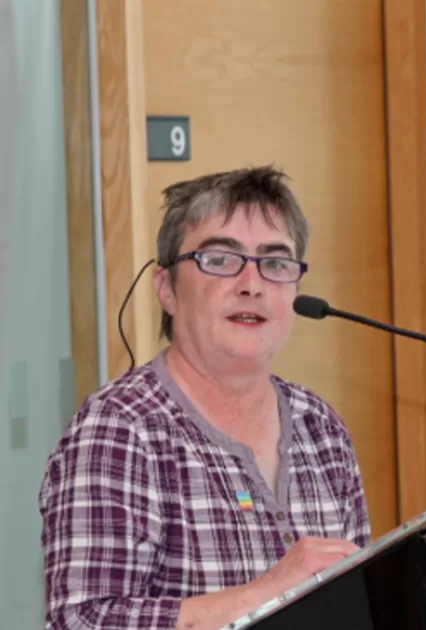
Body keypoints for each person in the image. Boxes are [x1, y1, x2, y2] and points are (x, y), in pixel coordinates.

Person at [38, 166, 371, 630]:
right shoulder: (120, 428)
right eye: (220, 259)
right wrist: (268, 591)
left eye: (275, 262)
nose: (252, 284)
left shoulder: (322, 427)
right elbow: (84, 622)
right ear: (166, 289)